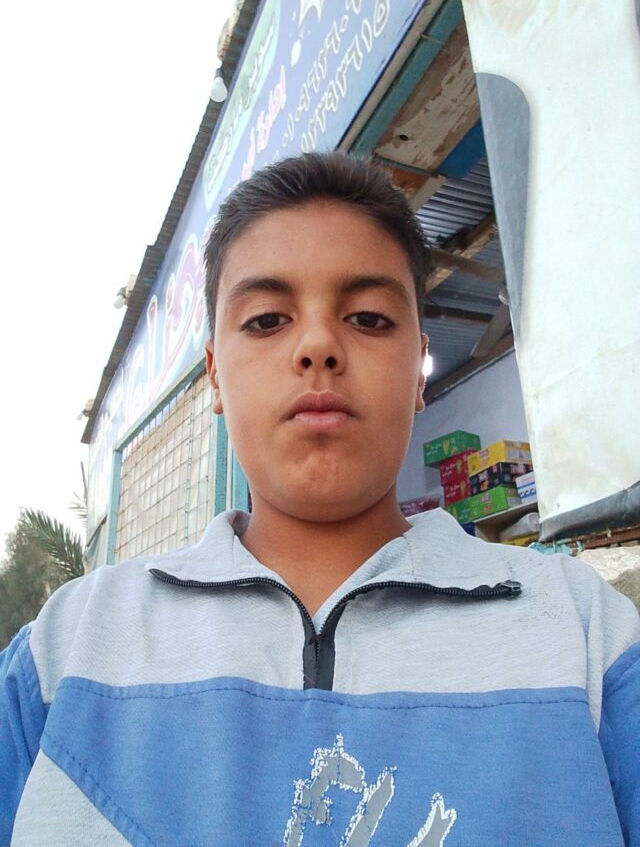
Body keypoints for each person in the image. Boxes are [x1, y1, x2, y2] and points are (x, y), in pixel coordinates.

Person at [1, 152, 638, 846]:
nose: (318, 346)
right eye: (266, 319)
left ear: (419, 369)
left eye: (367, 317)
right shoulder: (64, 655)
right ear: (214, 374)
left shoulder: (587, 640)